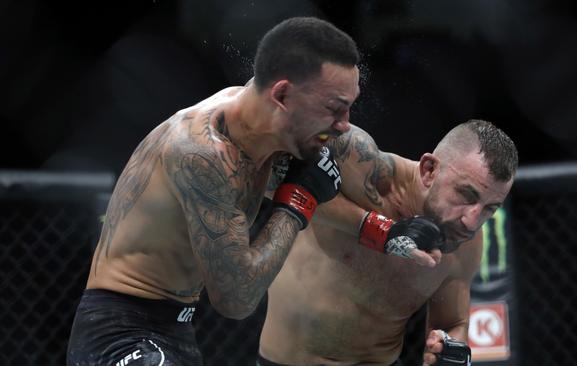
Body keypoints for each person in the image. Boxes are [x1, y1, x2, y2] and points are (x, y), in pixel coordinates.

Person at [66, 17, 367, 366]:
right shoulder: (200, 152)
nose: (344, 123)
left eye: (349, 106)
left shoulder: (268, 131)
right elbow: (236, 299)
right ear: (282, 94)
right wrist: (298, 203)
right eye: (334, 108)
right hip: (119, 334)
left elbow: (354, 178)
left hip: (177, 331)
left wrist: (384, 230)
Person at [258, 119, 518, 365]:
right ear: (429, 170)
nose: (472, 222)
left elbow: (452, 323)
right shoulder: (364, 170)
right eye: (466, 194)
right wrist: (379, 229)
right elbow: (269, 167)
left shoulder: (464, 243)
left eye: (490, 209)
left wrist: (449, 348)